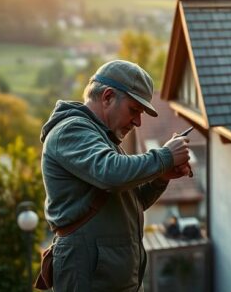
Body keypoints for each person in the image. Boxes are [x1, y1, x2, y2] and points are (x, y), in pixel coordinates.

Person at [40, 60, 191, 291]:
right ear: (108, 97)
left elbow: (131, 202)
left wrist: (162, 177)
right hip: (87, 276)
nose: (138, 122)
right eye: (134, 110)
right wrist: (165, 156)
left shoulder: (102, 138)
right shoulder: (70, 130)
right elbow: (111, 174)